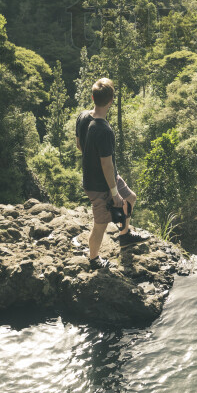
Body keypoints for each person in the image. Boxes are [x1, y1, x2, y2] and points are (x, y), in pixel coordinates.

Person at [76, 77, 140, 269]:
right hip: (99, 185)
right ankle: (94, 259)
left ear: (92, 97)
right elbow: (106, 165)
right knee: (100, 225)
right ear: (111, 101)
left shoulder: (82, 117)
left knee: (131, 198)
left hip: (107, 178)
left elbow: (80, 146)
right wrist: (114, 193)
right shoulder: (103, 130)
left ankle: (124, 236)